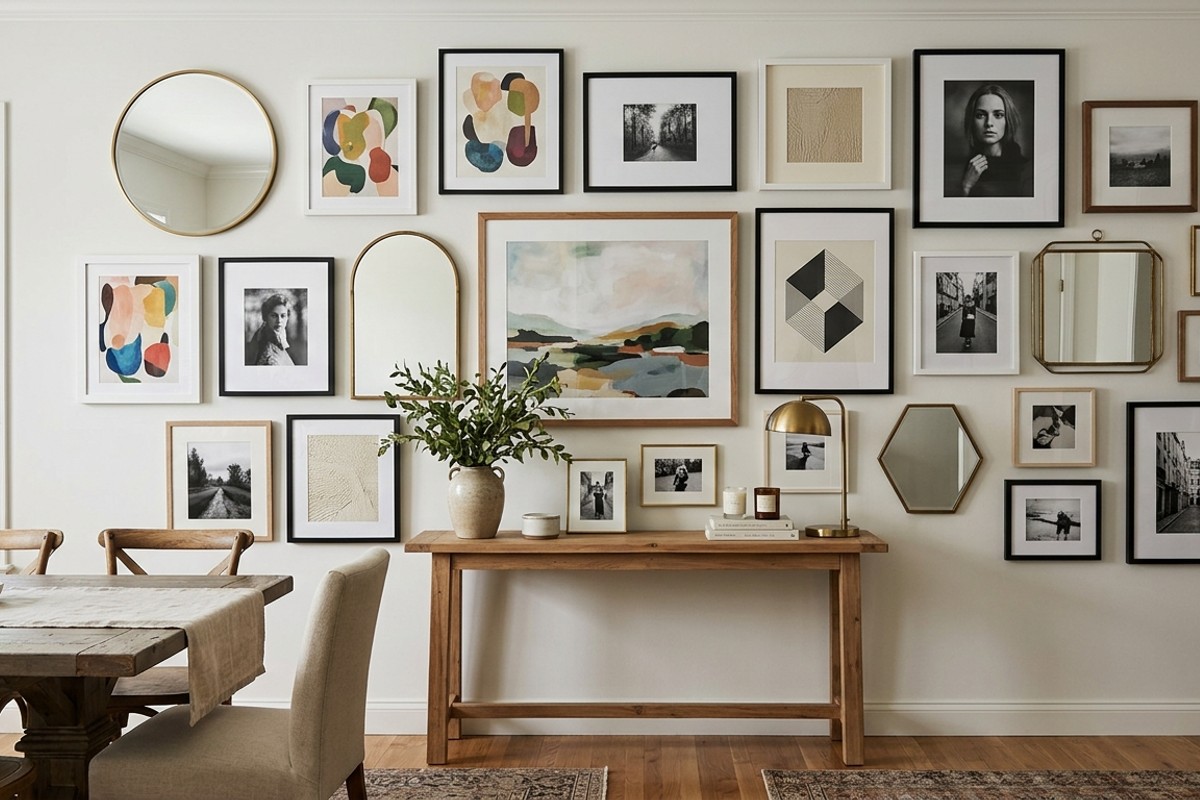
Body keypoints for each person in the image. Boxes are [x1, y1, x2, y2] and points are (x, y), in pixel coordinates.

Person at [957, 83, 1033, 198]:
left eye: (998, 115)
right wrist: (966, 186)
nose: (989, 123)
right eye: (980, 115)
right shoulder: (969, 167)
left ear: (1008, 120)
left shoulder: (1025, 169)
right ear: (971, 120)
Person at [245, 293, 295, 366]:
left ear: (287, 317)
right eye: (274, 316)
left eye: (283, 316)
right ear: (266, 317)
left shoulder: (280, 340)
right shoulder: (265, 345)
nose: (279, 321)